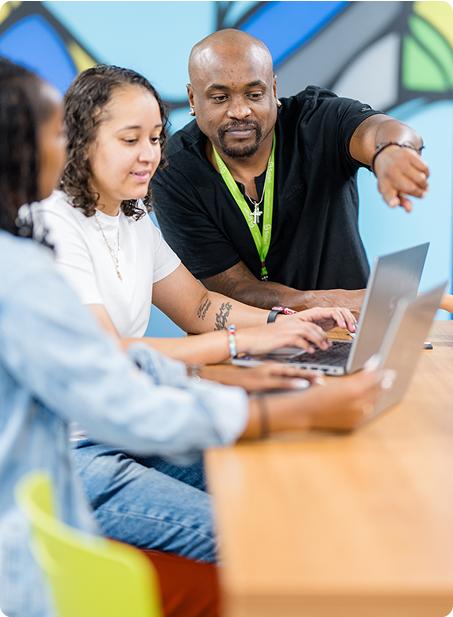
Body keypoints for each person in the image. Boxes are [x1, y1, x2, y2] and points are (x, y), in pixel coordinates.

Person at [0, 58, 388, 617]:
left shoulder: (131, 216)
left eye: (155, 137)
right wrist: (257, 387)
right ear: (78, 144)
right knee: (265, 534)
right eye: (130, 138)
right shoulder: (47, 238)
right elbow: (115, 368)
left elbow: (202, 307)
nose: (151, 154)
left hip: (128, 435)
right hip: (87, 457)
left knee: (284, 481)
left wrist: (285, 324)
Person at [151, 29, 430, 317]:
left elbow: (378, 131)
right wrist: (334, 303)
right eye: (220, 97)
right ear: (193, 99)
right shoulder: (172, 170)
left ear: (273, 91)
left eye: (254, 94)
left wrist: (393, 150)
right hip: (249, 342)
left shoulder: (317, 121)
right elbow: (234, 289)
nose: (240, 111)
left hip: (351, 332)